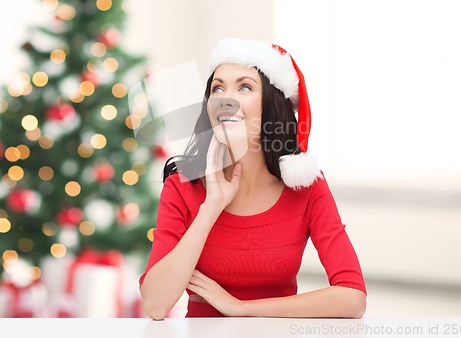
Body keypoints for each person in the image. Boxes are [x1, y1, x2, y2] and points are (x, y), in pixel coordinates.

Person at [139, 38, 366, 319]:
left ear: (271, 107)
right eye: (217, 88)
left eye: (244, 87)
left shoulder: (307, 187)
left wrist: (240, 308)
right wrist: (211, 207)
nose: (225, 98)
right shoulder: (181, 187)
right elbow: (155, 305)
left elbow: (352, 298)